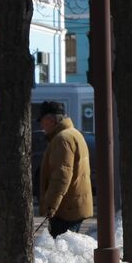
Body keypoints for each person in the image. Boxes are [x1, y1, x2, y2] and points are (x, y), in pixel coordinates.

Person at [37, 100, 93, 238]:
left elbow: (61, 176)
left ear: (51, 119)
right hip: (74, 205)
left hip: (66, 210)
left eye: (42, 120)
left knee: (61, 249)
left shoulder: (62, 139)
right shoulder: (74, 134)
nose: (41, 125)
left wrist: (51, 206)